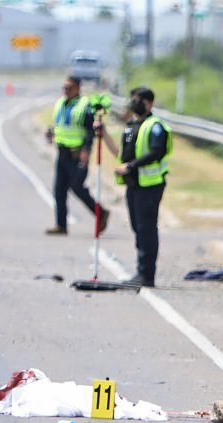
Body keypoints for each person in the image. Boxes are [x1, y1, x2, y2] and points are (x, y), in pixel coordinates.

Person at [96, 87, 172, 287]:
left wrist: (131, 166)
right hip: (134, 185)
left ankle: (146, 275)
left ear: (149, 103)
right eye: (133, 99)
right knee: (137, 228)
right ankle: (141, 272)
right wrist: (104, 135)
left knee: (146, 229)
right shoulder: (132, 126)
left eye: (138, 100)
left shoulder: (155, 126)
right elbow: (122, 154)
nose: (134, 103)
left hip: (150, 185)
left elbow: (157, 151)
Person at [45, 76, 109, 235]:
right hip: (62, 153)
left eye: (69, 88)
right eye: (64, 87)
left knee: (77, 187)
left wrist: (86, 152)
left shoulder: (84, 106)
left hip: (77, 154)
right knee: (59, 190)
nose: (65, 90)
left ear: (78, 88)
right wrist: (51, 132)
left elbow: (90, 132)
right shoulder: (60, 103)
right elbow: (60, 124)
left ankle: (100, 212)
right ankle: (61, 225)